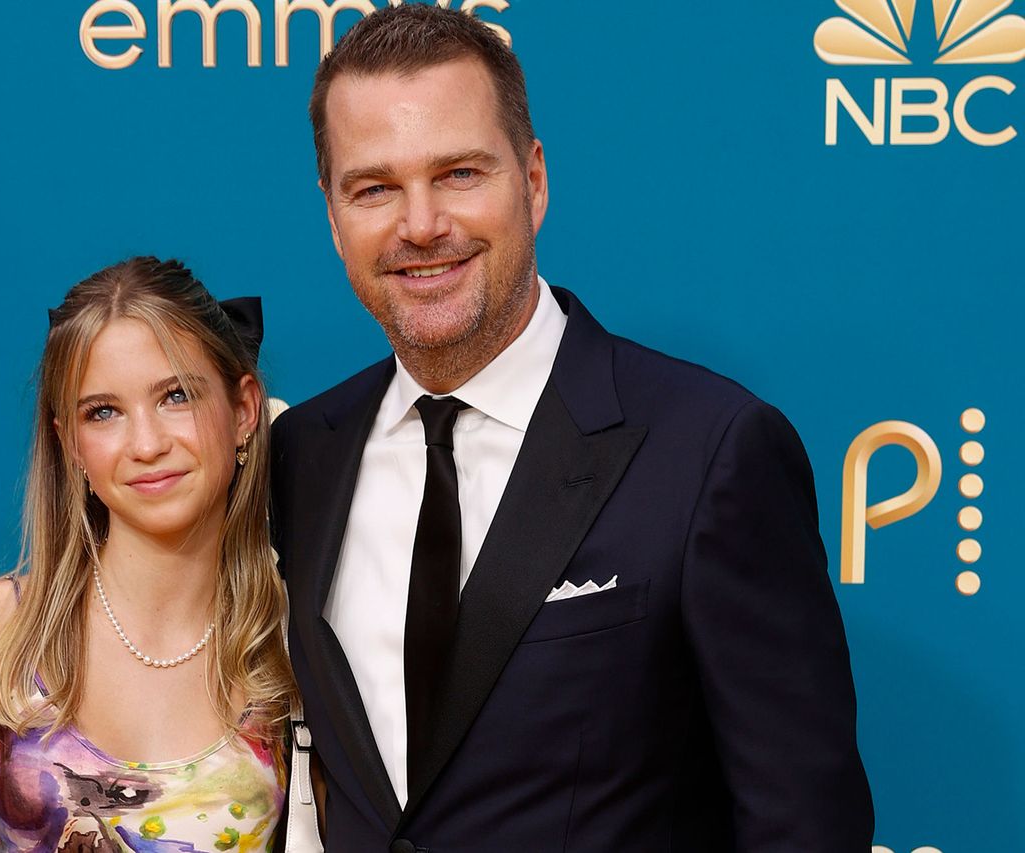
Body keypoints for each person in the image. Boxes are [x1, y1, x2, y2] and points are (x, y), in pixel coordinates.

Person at [270, 5, 874, 851]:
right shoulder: (301, 454)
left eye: (459, 174)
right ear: (334, 219)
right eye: (375, 188)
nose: (421, 224)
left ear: (534, 180)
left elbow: (803, 824)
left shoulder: (710, 451)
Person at [0, 257, 298, 853]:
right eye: (104, 412)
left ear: (244, 410)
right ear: (70, 442)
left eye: (176, 396)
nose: (147, 444)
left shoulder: (292, 643)